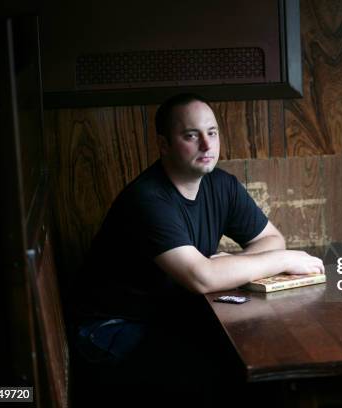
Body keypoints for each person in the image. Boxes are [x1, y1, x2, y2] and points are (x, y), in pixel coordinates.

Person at [70, 93, 324, 396]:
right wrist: (282, 260)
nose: (207, 145)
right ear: (164, 145)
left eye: (212, 133)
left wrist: (224, 266)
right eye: (192, 135)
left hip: (167, 318)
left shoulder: (221, 185)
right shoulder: (148, 199)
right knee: (221, 374)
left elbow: (271, 239)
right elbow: (202, 278)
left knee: (259, 357)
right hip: (111, 328)